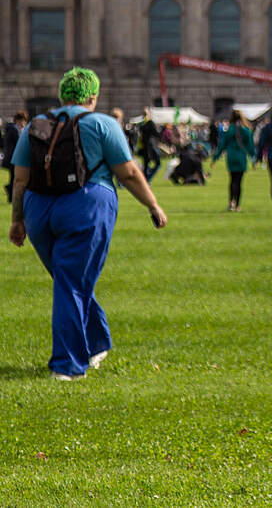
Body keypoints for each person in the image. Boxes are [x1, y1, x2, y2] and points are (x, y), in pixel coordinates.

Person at [7, 67, 167, 380]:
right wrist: (153, 204)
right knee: (72, 283)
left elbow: (20, 179)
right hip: (86, 206)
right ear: (92, 96)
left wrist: (17, 219)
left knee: (69, 280)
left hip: (39, 210)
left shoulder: (35, 126)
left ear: (61, 94)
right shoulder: (102, 123)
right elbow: (130, 173)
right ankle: (68, 366)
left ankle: (96, 342)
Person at [212, 109, 256, 211]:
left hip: (231, 157)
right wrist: (254, 158)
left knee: (232, 180)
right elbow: (250, 146)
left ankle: (231, 202)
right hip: (241, 157)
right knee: (239, 181)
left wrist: (215, 158)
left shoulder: (229, 130)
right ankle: (237, 205)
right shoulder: (245, 130)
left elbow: (222, 145)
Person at [3, 110, 29, 203]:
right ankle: (10, 195)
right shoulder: (13, 130)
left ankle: (10, 193)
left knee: (14, 178)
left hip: (14, 158)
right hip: (13, 158)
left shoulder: (15, 129)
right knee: (15, 178)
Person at [137, 108, 161, 182]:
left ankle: (145, 179)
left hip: (144, 147)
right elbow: (156, 134)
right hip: (151, 146)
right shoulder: (150, 123)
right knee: (158, 164)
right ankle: (148, 178)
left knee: (146, 164)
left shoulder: (141, 124)